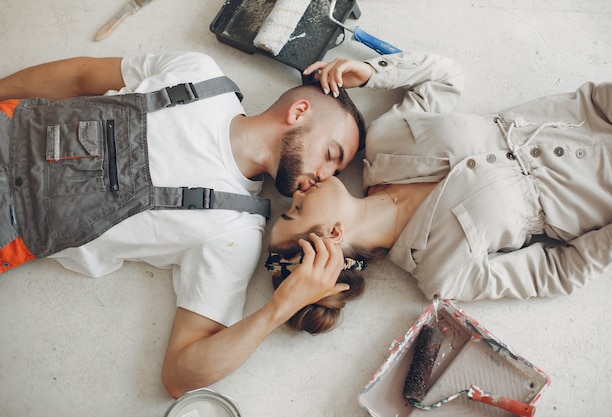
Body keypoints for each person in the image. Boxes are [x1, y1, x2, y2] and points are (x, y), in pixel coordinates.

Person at [0, 51, 367, 397]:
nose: (324, 177)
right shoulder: (199, 72)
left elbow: (179, 376)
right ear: (299, 111)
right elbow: (81, 75)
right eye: (330, 155)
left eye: (335, 171)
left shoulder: (235, 233)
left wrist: (280, 308)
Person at [266, 50, 612, 334]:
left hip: (601, 111)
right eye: (293, 212)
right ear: (332, 236)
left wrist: (373, 73)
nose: (297, 194)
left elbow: (445, 76)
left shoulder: (383, 140)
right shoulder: (444, 273)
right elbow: (559, 272)